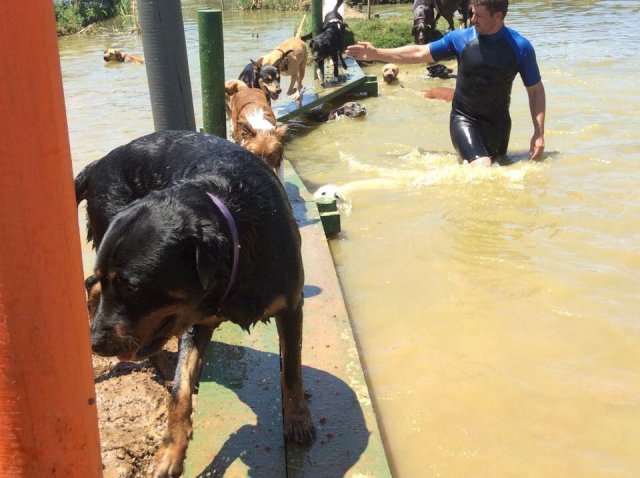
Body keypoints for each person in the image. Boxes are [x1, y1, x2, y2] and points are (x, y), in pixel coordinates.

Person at [346, 0, 546, 166]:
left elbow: (535, 91)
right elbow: (419, 52)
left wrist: (538, 133)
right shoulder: (460, 38)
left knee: (500, 169)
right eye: (472, 13)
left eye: (479, 16)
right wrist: (376, 53)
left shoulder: (520, 47)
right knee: (482, 167)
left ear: (498, 16)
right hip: (464, 118)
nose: (472, 19)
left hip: (499, 123)